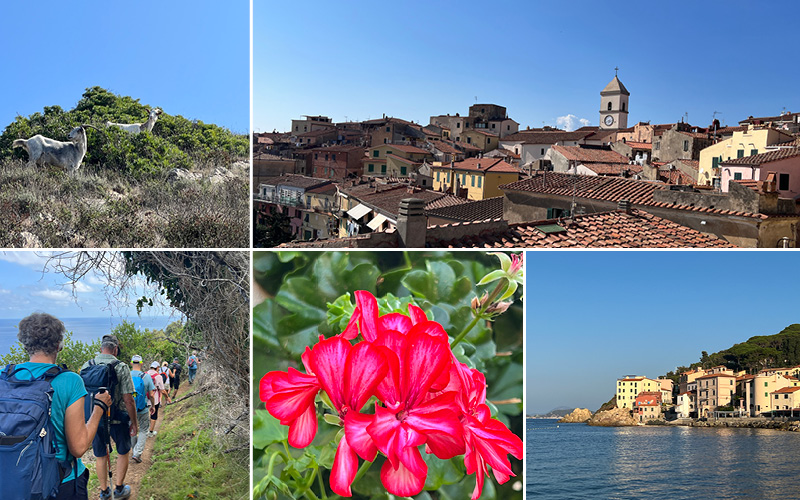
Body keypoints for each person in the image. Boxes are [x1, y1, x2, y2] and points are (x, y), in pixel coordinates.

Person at [5, 313, 111, 500]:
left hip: (10, 479)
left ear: (25, 345)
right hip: (59, 483)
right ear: (58, 345)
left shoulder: (3, 377)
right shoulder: (70, 381)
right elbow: (78, 448)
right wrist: (99, 408)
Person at [81, 334, 137, 500]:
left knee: (100, 455)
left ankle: (104, 491)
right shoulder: (121, 367)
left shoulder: (87, 365)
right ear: (115, 350)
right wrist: (134, 422)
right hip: (117, 418)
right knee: (123, 452)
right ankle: (119, 488)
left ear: (101, 349)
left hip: (95, 419)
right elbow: (128, 399)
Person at [129, 355, 156, 464]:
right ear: (141, 363)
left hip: (130, 408)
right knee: (144, 430)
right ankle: (137, 453)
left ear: (131, 363)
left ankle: (134, 451)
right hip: (143, 408)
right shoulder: (146, 377)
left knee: (132, 429)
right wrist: (153, 406)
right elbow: (151, 394)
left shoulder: (127, 376)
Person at [146, 361, 166, 437]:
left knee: (145, 414)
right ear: (157, 368)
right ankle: (150, 432)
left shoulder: (144, 374)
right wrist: (167, 397)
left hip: (144, 398)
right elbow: (162, 390)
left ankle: (144, 430)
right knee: (154, 414)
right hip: (155, 399)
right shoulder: (158, 376)